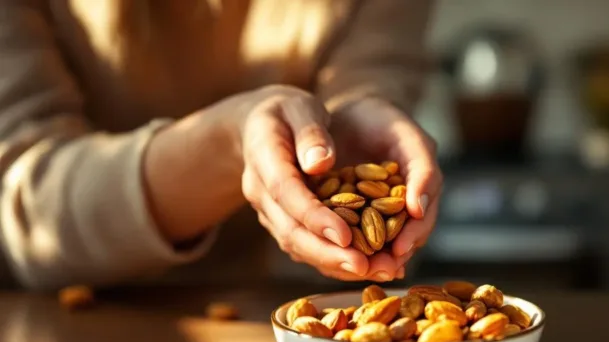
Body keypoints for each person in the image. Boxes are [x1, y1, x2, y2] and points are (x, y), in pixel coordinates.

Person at [0, 0, 441, 290]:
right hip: (74, 324)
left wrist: (365, 119)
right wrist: (229, 144)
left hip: (273, 320)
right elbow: (23, 207)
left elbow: (369, 89)